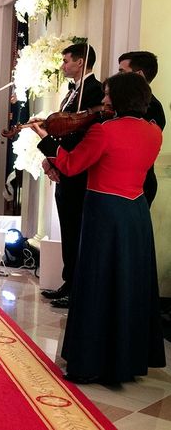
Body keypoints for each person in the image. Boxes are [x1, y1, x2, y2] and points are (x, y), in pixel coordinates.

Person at [31, 72, 164, 384]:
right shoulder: (154, 132)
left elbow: (71, 165)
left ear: (117, 98)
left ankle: (90, 362)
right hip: (136, 211)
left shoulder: (105, 131)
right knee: (129, 283)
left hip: (104, 211)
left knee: (97, 283)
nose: (104, 101)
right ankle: (128, 358)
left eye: (107, 95)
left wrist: (48, 141)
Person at [41, 44, 104, 309]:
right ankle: (68, 281)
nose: (63, 66)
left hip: (79, 172)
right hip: (64, 168)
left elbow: (78, 132)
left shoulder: (94, 91)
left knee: (76, 229)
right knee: (67, 228)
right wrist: (53, 160)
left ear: (80, 62)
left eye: (66, 61)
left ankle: (77, 287)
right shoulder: (72, 92)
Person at [117, 51, 166, 206]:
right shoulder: (123, 103)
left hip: (138, 186)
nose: (118, 78)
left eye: (122, 72)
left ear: (138, 75)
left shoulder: (153, 107)